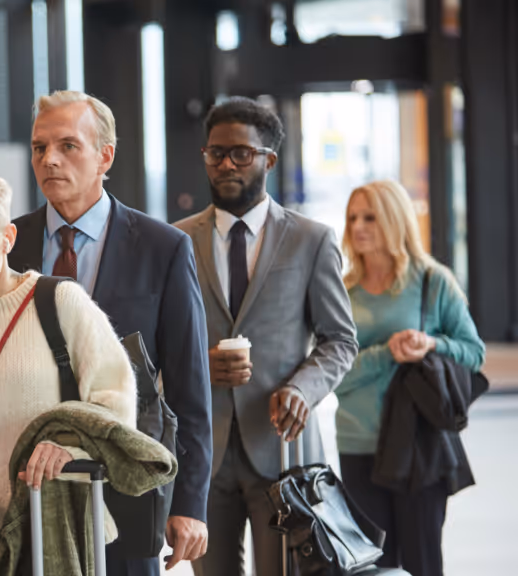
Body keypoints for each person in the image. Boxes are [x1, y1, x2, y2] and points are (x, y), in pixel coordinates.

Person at [9, 90, 213, 575]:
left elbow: (189, 388)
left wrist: (190, 502)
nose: (49, 160)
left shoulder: (164, 249)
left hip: (125, 484)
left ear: (106, 156)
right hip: (28, 484)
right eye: (39, 147)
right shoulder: (8, 244)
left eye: (67, 146)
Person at [174, 97, 358, 576]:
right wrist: (198, 363)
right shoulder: (175, 241)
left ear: (268, 160)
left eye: (241, 153)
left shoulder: (311, 240)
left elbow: (339, 340)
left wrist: (302, 389)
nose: (226, 165)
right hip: (203, 452)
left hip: (282, 449)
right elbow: (156, 344)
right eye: (216, 153)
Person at [0, 168, 138, 576]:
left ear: (7, 238)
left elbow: (117, 404)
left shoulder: (61, 304)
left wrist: (70, 448)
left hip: (60, 527)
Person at [335, 180, 485, 576]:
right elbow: (334, 375)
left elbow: (474, 352)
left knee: (423, 564)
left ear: (395, 219)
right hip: (357, 443)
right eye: (352, 218)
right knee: (370, 566)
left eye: (370, 217)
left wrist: (431, 344)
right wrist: (387, 353)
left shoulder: (433, 281)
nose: (358, 227)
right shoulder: (342, 290)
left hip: (419, 445)